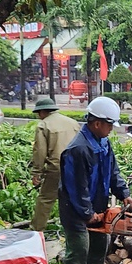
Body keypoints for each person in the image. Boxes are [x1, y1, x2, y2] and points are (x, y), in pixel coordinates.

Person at [56, 97, 132, 264]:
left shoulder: (103, 143)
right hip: (75, 208)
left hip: (98, 204)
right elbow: (76, 186)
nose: (111, 129)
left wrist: (123, 193)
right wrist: (86, 212)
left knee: (100, 245)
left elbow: (113, 172)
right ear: (97, 123)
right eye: (109, 125)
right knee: (79, 249)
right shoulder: (78, 149)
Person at [30, 98, 80, 232]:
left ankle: (37, 231)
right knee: (74, 199)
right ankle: (76, 230)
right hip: (75, 167)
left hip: (56, 168)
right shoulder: (73, 123)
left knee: (45, 200)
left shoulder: (43, 125)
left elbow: (40, 152)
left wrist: (37, 173)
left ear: (42, 112)